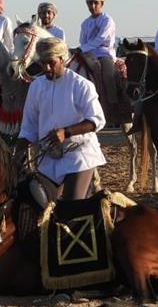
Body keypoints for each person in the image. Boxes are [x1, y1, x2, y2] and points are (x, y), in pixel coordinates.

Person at [16, 37, 106, 201]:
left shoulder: (81, 85)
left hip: (79, 156)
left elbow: (97, 120)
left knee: (71, 206)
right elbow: (28, 128)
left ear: (62, 59)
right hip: (48, 159)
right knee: (38, 205)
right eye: (43, 63)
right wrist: (16, 157)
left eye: (51, 63)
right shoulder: (36, 86)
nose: (47, 68)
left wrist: (66, 132)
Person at [78, 0, 119, 114]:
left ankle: (113, 106)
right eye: (90, 3)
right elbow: (82, 41)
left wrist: (83, 48)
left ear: (101, 4)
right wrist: (82, 50)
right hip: (87, 54)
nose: (93, 6)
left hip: (104, 53)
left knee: (108, 76)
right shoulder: (85, 23)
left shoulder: (107, 20)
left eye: (96, 3)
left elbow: (100, 39)